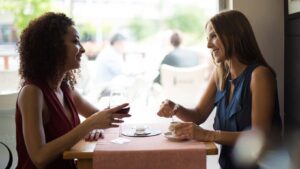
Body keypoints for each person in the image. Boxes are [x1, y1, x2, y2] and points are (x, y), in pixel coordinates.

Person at [157, 10, 282, 169]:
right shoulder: (220, 73)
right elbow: (198, 115)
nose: (208, 45)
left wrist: (206, 134)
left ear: (234, 35)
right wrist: (175, 107)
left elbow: (259, 137)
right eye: (207, 38)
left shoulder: (260, 75)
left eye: (214, 36)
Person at [16, 12, 130, 169]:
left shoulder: (66, 89)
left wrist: (95, 126)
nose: (82, 49)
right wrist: (89, 126)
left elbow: (100, 117)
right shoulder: (32, 92)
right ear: (53, 47)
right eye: (75, 41)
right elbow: (39, 157)